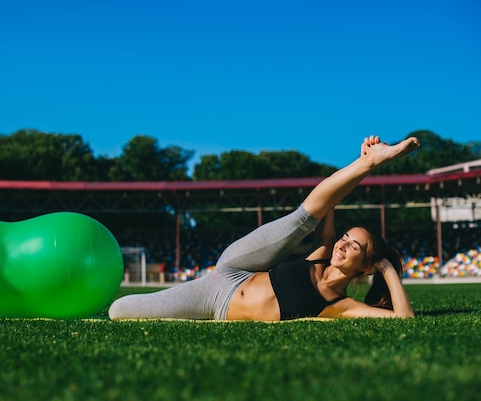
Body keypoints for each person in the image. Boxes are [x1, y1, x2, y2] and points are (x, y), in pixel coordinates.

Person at [109, 135, 418, 321]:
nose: (342, 244)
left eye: (355, 247)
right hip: (237, 268)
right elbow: (326, 202)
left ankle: (369, 164)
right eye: (345, 237)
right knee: (304, 218)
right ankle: (370, 162)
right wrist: (363, 162)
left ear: (365, 267)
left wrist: (386, 267)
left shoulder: (340, 305)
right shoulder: (322, 254)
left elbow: (404, 318)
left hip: (216, 302)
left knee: (119, 310)